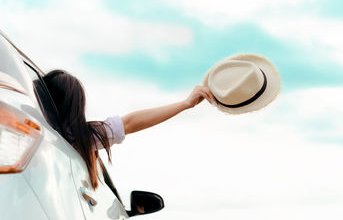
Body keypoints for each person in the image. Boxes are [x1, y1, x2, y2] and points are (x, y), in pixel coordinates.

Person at [39, 69, 216, 189]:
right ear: (76, 107)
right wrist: (185, 104)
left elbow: (131, 122)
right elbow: (130, 122)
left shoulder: (26, 123)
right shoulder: (79, 138)